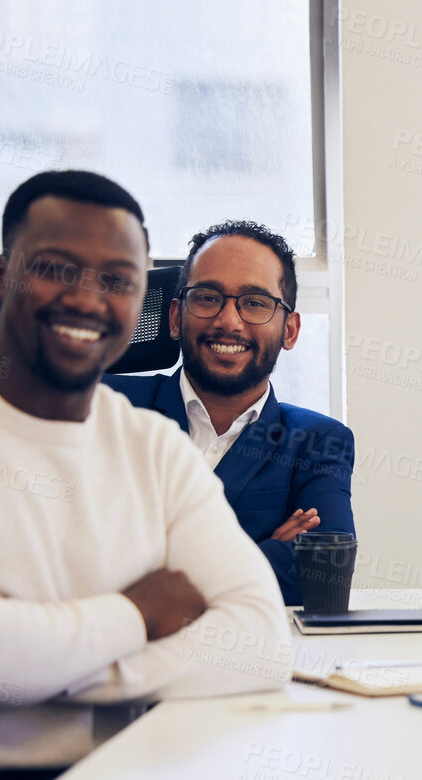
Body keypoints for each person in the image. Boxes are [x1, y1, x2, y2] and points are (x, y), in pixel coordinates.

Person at [0, 171, 290, 780]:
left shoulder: (153, 446)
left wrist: (65, 673)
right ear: (1, 276)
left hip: (130, 772)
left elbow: (261, 639)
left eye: (118, 279)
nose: (87, 298)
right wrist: (137, 614)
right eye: (56, 268)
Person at [106, 221, 355, 606]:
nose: (228, 321)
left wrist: (153, 572)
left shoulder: (318, 441)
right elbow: (68, 559)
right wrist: (260, 552)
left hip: (247, 656)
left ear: (290, 330)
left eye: (255, 302)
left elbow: (326, 575)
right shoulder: (109, 408)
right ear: (175, 317)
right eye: (207, 297)